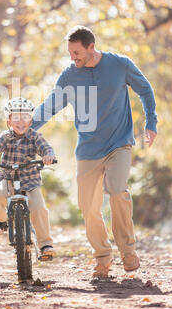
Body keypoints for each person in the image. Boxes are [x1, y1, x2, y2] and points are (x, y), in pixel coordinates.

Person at [31, 25, 157, 277]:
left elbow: (145, 89)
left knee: (118, 190)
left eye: (76, 52)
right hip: (88, 149)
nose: (72, 57)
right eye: (70, 52)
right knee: (88, 206)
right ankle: (102, 257)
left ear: (91, 47)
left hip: (119, 143)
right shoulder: (69, 76)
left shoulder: (119, 64)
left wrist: (150, 123)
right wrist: (25, 131)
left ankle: (128, 251)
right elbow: (50, 106)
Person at [0, 97, 56, 260]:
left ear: (31, 120)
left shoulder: (34, 136)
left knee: (39, 208)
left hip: (30, 181)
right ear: (9, 120)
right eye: (16, 118)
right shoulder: (5, 137)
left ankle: (45, 245)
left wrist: (48, 156)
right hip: (8, 178)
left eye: (25, 118)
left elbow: (46, 147)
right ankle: (1, 218)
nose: (21, 122)